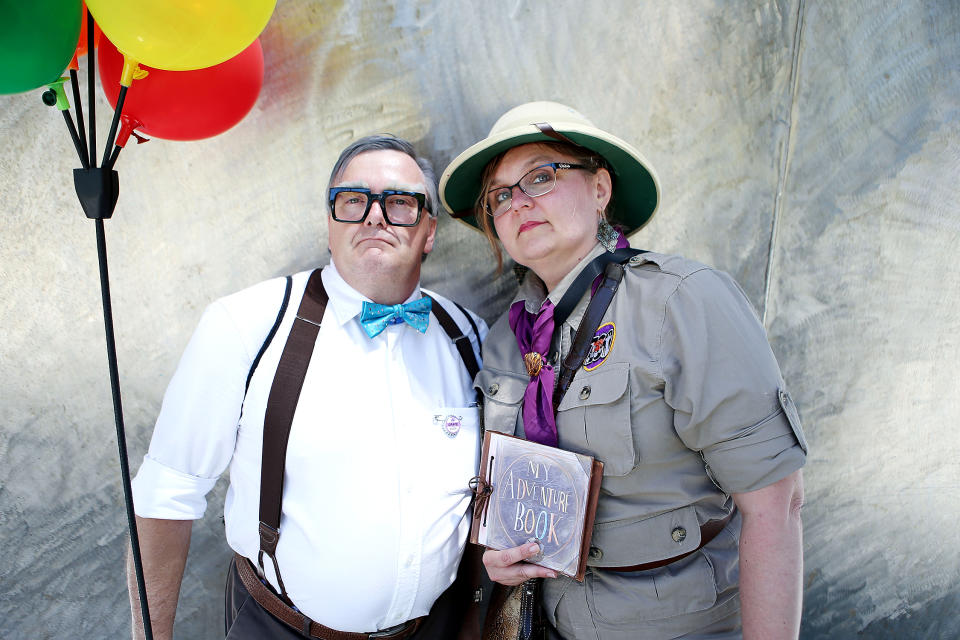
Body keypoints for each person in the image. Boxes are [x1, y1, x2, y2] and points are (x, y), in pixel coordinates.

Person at [439, 102, 808, 639]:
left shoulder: (681, 301)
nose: (518, 202)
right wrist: (500, 556)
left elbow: (776, 506)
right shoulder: (504, 342)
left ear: (600, 189)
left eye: (541, 176)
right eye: (500, 195)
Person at [127, 135, 488, 640]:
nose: (375, 216)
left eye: (401, 202)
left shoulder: (468, 336)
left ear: (429, 231)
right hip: (282, 628)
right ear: (329, 224)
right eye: (353, 201)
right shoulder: (245, 325)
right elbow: (166, 495)